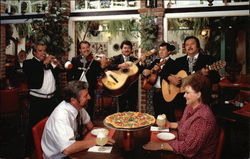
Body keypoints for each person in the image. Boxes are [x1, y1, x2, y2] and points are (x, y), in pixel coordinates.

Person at [143, 73, 219, 159]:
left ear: (199, 94)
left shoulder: (202, 118)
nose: (184, 95)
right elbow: (184, 125)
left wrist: (160, 145)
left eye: (187, 92)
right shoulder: (190, 107)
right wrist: (170, 124)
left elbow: (188, 149)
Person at [41, 80, 115, 159]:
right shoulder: (61, 117)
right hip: (60, 157)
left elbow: (90, 126)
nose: (89, 97)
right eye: (85, 96)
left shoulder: (77, 106)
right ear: (73, 100)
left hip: (72, 150)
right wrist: (97, 140)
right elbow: (67, 149)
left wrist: (106, 133)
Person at [23, 41, 63, 158]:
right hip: (37, 101)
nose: (43, 53)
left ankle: (51, 151)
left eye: (44, 50)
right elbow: (34, 73)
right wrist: (44, 63)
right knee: (33, 127)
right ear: (34, 52)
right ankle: (27, 153)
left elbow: (61, 71)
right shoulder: (29, 63)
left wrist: (56, 63)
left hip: (51, 100)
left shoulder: (48, 63)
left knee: (52, 126)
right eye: (40, 51)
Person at [67, 40, 108, 119]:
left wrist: (103, 66)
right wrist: (71, 86)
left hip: (90, 88)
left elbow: (99, 74)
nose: (86, 50)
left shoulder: (94, 61)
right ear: (80, 50)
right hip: (77, 89)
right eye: (83, 48)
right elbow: (69, 75)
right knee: (76, 108)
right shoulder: (74, 60)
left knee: (90, 108)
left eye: (87, 48)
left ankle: (90, 124)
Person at [142, 42, 179, 121]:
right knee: (158, 115)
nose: (160, 52)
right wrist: (146, 71)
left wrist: (160, 70)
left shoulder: (174, 63)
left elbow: (173, 78)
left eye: (163, 50)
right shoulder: (156, 61)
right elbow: (145, 72)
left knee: (169, 116)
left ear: (169, 52)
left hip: (168, 93)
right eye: (160, 50)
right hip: (156, 93)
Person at [107, 40, 146, 112]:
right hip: (120, 87)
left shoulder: (135, 60)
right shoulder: (116, 58)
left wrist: (143, 62)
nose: (126, 50)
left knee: (133, 109)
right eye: (125, 48)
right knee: (121, 110)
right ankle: (120, 123)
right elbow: (108, 66)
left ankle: (132, 123)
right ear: (121, 49)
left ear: (131, 50)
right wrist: (119, 65)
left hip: (132, 88)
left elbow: (141, 71)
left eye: (128, 48)